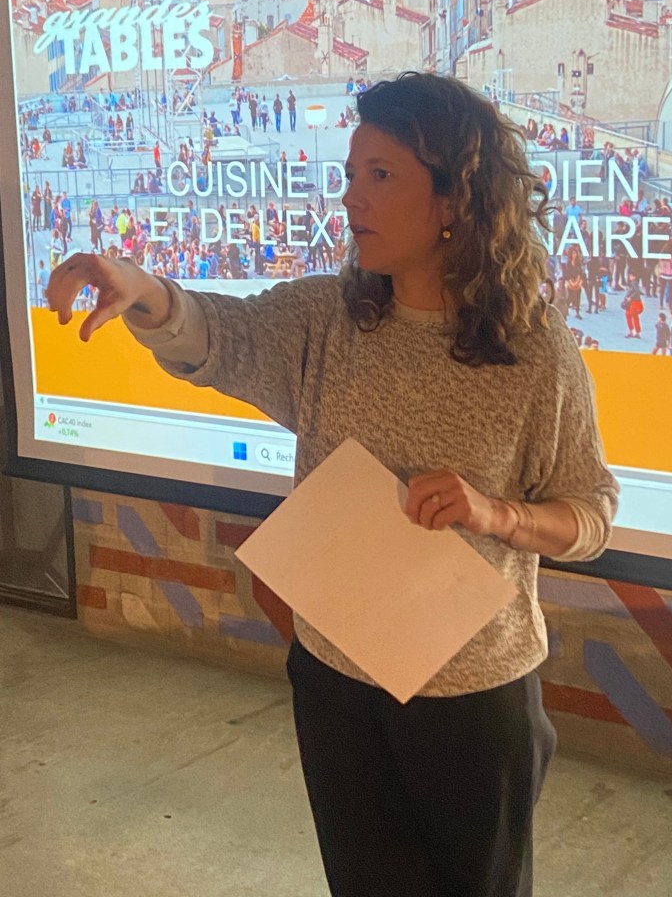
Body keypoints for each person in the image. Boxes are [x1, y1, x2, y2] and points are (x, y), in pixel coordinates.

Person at [46, 72, 617, 897]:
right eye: (350, 174)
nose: (352, 197)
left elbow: (591, 513)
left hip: (471, 696)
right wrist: (144, 289)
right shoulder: (324, 318)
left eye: (381, 174)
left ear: (455, 197)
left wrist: (499, 515)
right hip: (335, 681)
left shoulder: (535, 354)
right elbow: (217, 334)